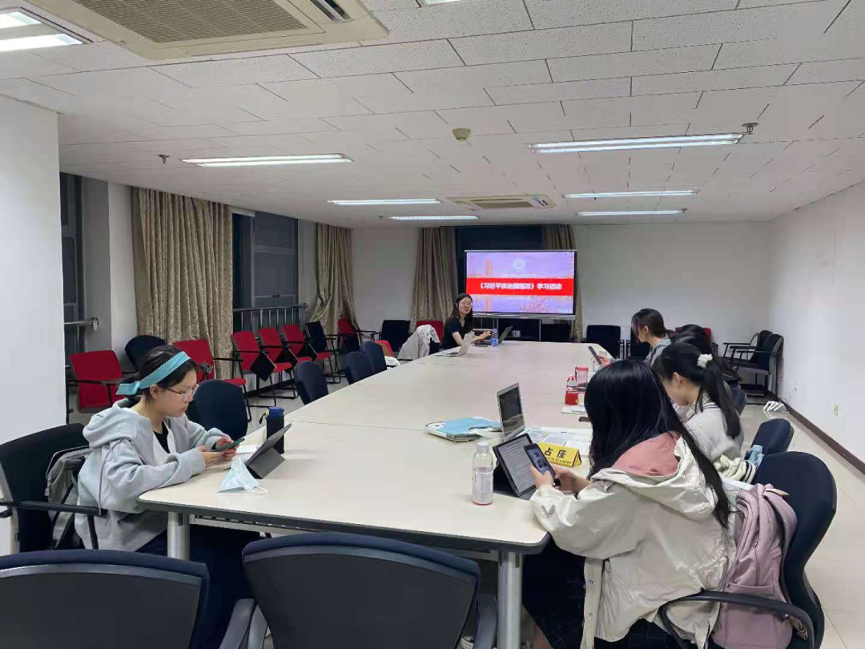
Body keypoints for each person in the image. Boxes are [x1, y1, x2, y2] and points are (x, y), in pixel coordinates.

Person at [524, 361, 732, 649]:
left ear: (613, 418)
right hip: (684, 590)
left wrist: (545, 490)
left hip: (657, 621)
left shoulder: (633, 482)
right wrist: (582, 485)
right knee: (554, 565)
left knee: (538, 571)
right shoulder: (673, 443)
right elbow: (630, 510)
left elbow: (573, 527)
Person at [75, 345, 258, 649]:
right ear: (155, 390)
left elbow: (197, 435)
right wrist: (191, 462)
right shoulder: (121, 433)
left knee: (242, 541)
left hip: (163, 519)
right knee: (212, 564)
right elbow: (123, 489)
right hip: (129, 534)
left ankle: (235, 631)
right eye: (183, 391)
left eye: (193, 389)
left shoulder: (170, 417)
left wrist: (216, 441)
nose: (190, 398)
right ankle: (201, 639)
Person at [653, 342, 744, 463]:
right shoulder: (722, 405)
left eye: (663, 385)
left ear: (676, 379)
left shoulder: (697, 428)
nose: (665, 392)